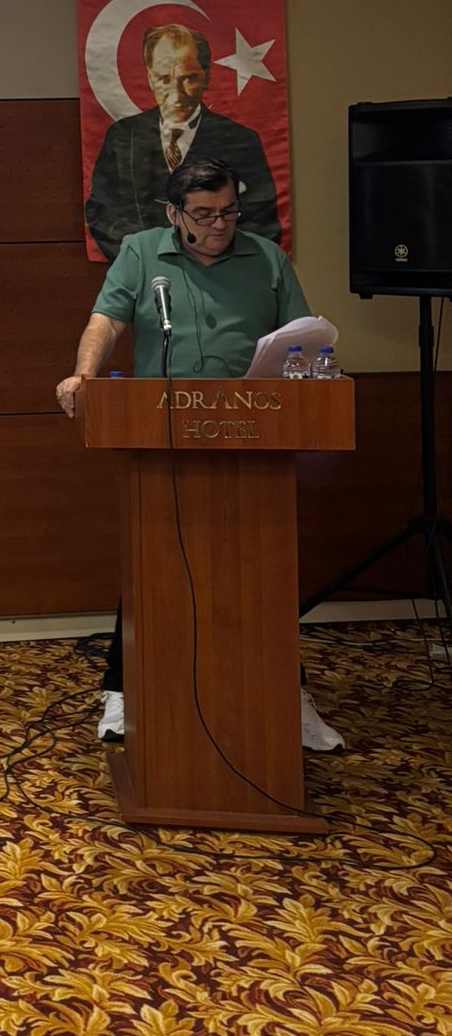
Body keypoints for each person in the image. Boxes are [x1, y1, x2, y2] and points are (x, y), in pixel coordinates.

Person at [57, 157, 342, 752]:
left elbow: (302, 336)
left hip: (254, 432)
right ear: (174, 213)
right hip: (161, 428)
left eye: (229, 212)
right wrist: (83, 374)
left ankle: (290, 695)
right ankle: (123, 691)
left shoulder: (267, 257)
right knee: (152, 561)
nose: (219, 225)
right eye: (205, 214)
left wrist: (317, 366)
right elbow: (107, 320)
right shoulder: (142, 253)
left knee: (265, 566)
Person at [85, 23, 282, 260]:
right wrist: (138, 258)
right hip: (145, 272)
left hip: (219, 274)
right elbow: (102, 213)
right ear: (149, 77)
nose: (177, 95)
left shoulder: (242, 141)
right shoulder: (122, 137)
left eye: (188, 78)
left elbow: (263, 220)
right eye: (164, 79)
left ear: (207, 76)